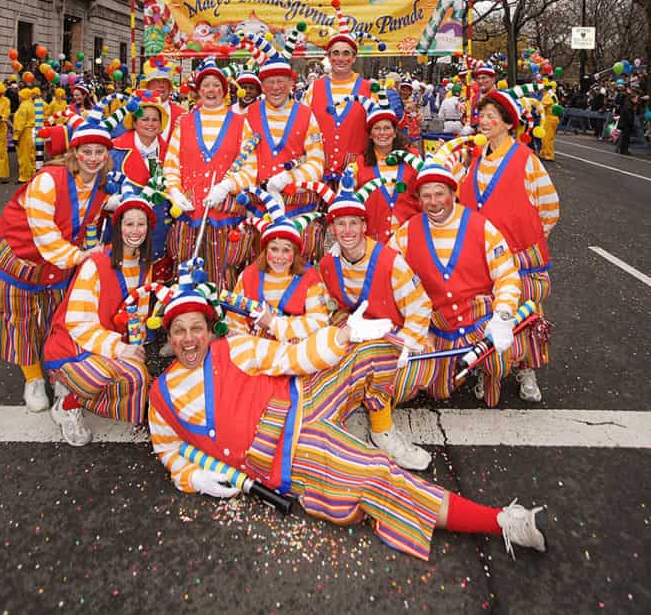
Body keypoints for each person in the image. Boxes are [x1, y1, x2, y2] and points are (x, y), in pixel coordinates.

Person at [149, 282, 547, 562]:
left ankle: (390, 416)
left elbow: (297, 358)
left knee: (370, 349)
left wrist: (344, 336)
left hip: (303, 396)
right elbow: (169, 449)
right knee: (377, 477)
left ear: (207, 329)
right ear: (169, 335)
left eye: (195, 328)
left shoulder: (233, 347)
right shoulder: (160, 396)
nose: (188, 339)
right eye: (179, 331)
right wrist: (192, 478)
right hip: (288, 453)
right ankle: (499, 522)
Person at [0, 110, 112, 412]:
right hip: (20, 258)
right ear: (74, 152)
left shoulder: (102, 187)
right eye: (86, 151)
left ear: (106, 155)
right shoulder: (48, 180)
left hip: (57, 265)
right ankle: (33, 378)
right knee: (22, 321)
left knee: (57, 320)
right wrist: (82, 257)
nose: (93, 157)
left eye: (99, 151)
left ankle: (57, 369)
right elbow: (46, 236)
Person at [317, 170, 433, 469]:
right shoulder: (328, 264)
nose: (347, 231)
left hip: (394, 338)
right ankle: (335, 419)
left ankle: (382, 430)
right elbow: (326, 304)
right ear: (332, 228)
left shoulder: (389, 260)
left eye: (353, 223)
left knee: (370, 363)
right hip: (355, 333)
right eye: (340, 224)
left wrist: (409, 341)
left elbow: (420, 304)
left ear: (364, 225)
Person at [390, 163, 522, 408]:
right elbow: (386, 273)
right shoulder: (407, 231)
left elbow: (507, 275)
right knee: (439, 392)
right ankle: (463, 366)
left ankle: (488, 370)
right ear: (418, 199)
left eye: (439, 193)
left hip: (478, 318)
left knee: (499, 359)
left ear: (452, 194)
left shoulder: (482, 226)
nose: (433, 202)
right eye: (426, 195)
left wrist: (502, 316)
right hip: (440, 324)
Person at [456, 90, 559, 402]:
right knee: (485, 313)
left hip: (520, 257)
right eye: (482, 115)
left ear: (507, 124)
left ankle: (526, 369)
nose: (484, 122)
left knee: (523, 314)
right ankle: (488, 369)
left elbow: (550, 208)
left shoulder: (526, 160)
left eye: (492, 117)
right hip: (482, 257)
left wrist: (526, 240)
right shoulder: (475, 159)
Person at [44, 185, 154, 446]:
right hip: (71, 345)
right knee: (109, 374)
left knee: (138, 376)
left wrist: (135, 347)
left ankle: (76, 389)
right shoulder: (96, 263)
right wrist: (120, 349)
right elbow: (77, 323)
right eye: (129, 224)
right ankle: (66, 402)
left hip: (104, 345)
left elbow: (137, 316)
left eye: (141, 224)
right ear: (118, 228)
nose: (135, 231)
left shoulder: (145, 267)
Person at [211, 36, 325, 262]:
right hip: (259, 207)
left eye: (281, 81)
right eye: (270, 82)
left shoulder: (305, 114)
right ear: (262, 85)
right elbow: (240, 159)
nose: (276, 87)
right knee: (259, 266)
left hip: (297, 207)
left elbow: (317, 161)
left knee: (299, 266)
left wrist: (288, 179)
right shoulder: (247, 115)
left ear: (291, 83)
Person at [164, 58, 249, 289]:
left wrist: (227, 186)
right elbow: (171, 164)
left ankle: (222, 319)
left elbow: (251, 168)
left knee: (223, 275)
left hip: (225, 214)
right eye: (206, 85)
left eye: (216, 85)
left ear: (224, 91)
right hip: (189, 213)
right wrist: (174, 192)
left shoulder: (242, 124)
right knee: (185, 274)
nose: (211, 90)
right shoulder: (185, 123)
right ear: (199, 91)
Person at [226, 188, 333, 340]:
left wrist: (274, 324)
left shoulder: (310, 278)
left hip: (296, 347)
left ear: (295, 253)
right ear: (265, 250)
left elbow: (319, 322)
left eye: (286, 250)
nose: (279, 257)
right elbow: (235, 321)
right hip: (255, 347)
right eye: (274, 249)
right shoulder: (249, 276)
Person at [303, 3, 372, 181]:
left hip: (357, 178)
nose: (340, 58)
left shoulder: (369, 90)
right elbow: (301, 128)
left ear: (354, 58)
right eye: (335, 53)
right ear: (329, 57)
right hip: (318, 175)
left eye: (346, 53)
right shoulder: (314, 88)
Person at [109, 91, 171, 282]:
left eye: (155, 120)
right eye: (145, 119)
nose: (150, 124)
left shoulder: (170, 151)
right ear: (134, 123)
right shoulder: (115, 148)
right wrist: (110, 201)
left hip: (160, 228)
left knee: (154, 282)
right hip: (124, 228)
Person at [354, 94, 419, 243]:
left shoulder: (412, 158)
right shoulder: (360, 163)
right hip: (374, 240)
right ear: (370, 134)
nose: (382, 133)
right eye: (377, 128)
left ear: (395, 132)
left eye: (387, 128)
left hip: (408, 239)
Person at [12, 87, 37, 184]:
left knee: (24, 156)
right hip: (32, 131)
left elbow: (20, 123)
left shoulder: (23, 106)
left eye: (19, 96)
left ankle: (24, 177)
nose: (18, 97)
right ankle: (33, 174)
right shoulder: (32, 105)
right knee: (32, 155)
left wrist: (16, 136)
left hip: (25, 133)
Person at [616, 89, 637, 156]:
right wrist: (631, 124)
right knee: (625, 138)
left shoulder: (628, 104)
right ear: (632, 99)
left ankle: (620, 149)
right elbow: (629, 116)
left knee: (623, 137)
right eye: (636, 98)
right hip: (626, 124)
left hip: (624, 124)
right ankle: (624, 150)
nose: (637, 100)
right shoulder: (629, 106)